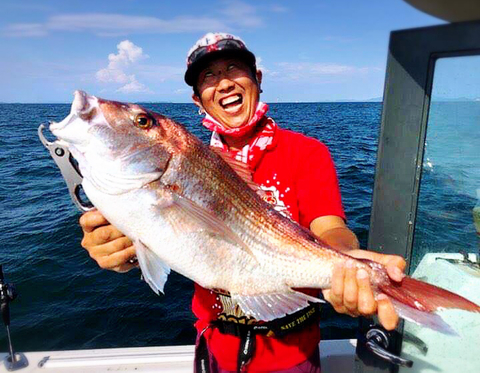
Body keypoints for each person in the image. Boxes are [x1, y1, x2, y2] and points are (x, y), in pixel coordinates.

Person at [80, 33, 406, 372]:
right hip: (213, 349)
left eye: (234, 68)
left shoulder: (308, 152)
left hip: (291, 354)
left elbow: (331, 227)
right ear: (197, 100)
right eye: (208, 76)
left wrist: (345, 261)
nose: (222, 83)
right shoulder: (188, 161)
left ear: (257, 80)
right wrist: (124, 251)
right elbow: (170, 239)